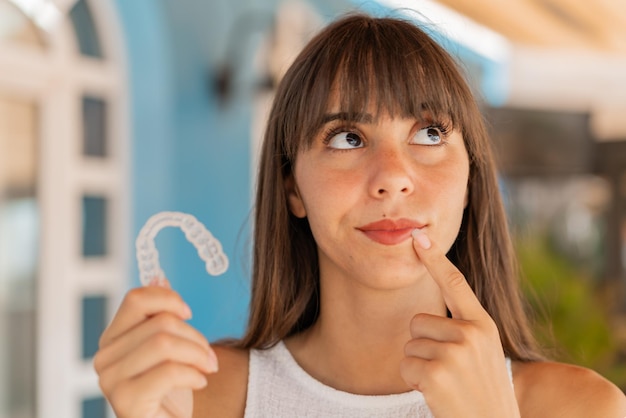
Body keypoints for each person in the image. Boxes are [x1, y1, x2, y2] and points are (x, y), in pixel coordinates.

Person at [93, 13, 626, 417]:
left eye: (430, 133)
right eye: (347, 138)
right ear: (292, 187)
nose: (393, 175)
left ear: (470, 182)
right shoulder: (200, 396)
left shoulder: (580, 408)